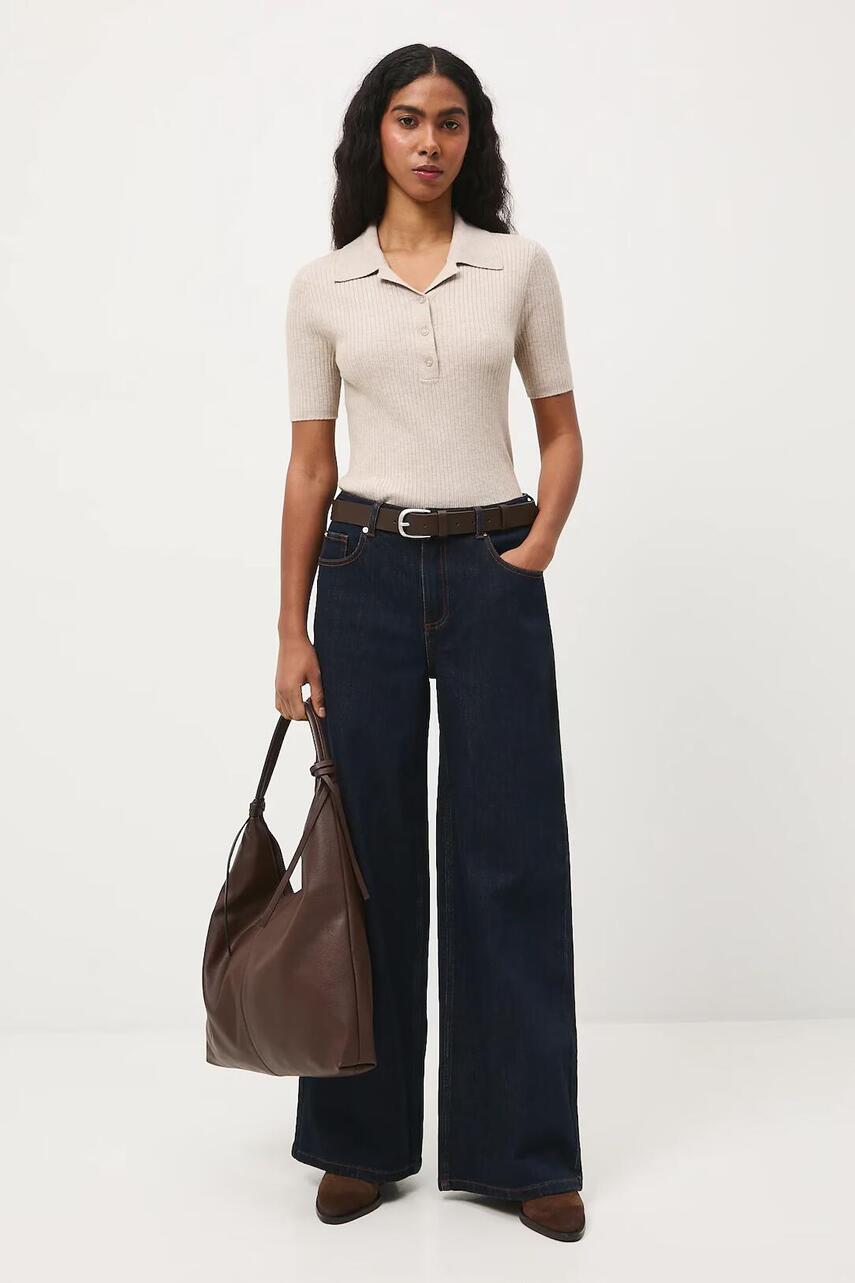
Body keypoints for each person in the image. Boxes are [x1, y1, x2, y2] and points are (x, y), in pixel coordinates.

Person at [276, 44, 585, 1243]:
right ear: (377, 132)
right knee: (367, 859)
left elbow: (561, 432)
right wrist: (290, 627)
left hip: (493, 567)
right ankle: (359, 1140)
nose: (429, 142)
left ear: (471, 139)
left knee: (512, 853)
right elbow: (310, 466)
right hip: (361, 572)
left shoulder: (518, 267)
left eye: (450, 122)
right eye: (408, 119)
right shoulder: (324, 285)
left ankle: (523, 1151)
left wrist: (535, 546)